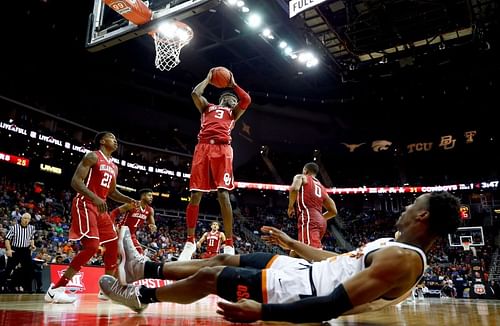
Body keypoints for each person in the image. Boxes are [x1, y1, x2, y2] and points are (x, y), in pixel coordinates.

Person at [100, 191, 461, 323]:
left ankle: (141, 296)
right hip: (305, 270)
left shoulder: (404, 261)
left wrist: (265, 312)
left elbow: (332, 304)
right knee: (226, 260)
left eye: (413, 204)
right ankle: (141, 268)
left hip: (301, 291)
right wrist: (292, 242)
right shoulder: (393, 246)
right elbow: (337, 259)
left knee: (211, 279)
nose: (405, 208)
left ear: (422, 216)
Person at [45, 131, 138, 303]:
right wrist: (94, 197)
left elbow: (111, 192)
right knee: (92, 246)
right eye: (112, 138)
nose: (116, 141)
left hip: (100, 208)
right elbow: (75, 181)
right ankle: (56, 288)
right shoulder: (92, 156)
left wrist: (128, 199)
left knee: (112, 246)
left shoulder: (114, 166)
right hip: (85, 203)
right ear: (102, 141)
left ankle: (106, 289)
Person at [178, 68, 251, 261]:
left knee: (223, 194)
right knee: (195, 195)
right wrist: (208, 79)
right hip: (203, 148)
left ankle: (229, 242)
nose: (234, 101)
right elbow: (195, 93)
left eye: (235, 100)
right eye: (230, 97)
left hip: (222, 150)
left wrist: (233, 85)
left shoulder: (233, 114)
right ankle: (190, 240)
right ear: (222, 98)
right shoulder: (206, 107)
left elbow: (246, 101)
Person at [288, 162, 338, 249]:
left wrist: (290, 207)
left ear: (305, 171)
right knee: (300, 249)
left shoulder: (301, 177)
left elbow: (294, 189)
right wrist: (319, 218)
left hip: (308, 215)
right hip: (321, 221)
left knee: (309, 252)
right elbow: (333, 211)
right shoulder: (322, 188)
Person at [111, 188, 156, 255]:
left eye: (152, 196)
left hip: (131, 234)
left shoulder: (150, 210)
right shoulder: (132, 204)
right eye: (149, 195)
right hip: (121, 231)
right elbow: (113, 213)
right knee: (118, 254)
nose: (151, 198)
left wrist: (153, 226)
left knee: (140, 253)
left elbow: (152, 223)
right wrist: (112, 227)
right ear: (143, 196)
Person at [4, 213, 36, 292]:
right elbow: (7, 239)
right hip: (16, 250)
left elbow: (31, 238)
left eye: (28, 219)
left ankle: (27, 288)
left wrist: (32, 245)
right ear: (21, 218)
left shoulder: (32, 228)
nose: (26, 220)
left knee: (29, 270)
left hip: (26, 250)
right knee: (8, 269)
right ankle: (3, 287)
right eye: (25, 218)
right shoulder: (14, 227)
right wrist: (8, 249)